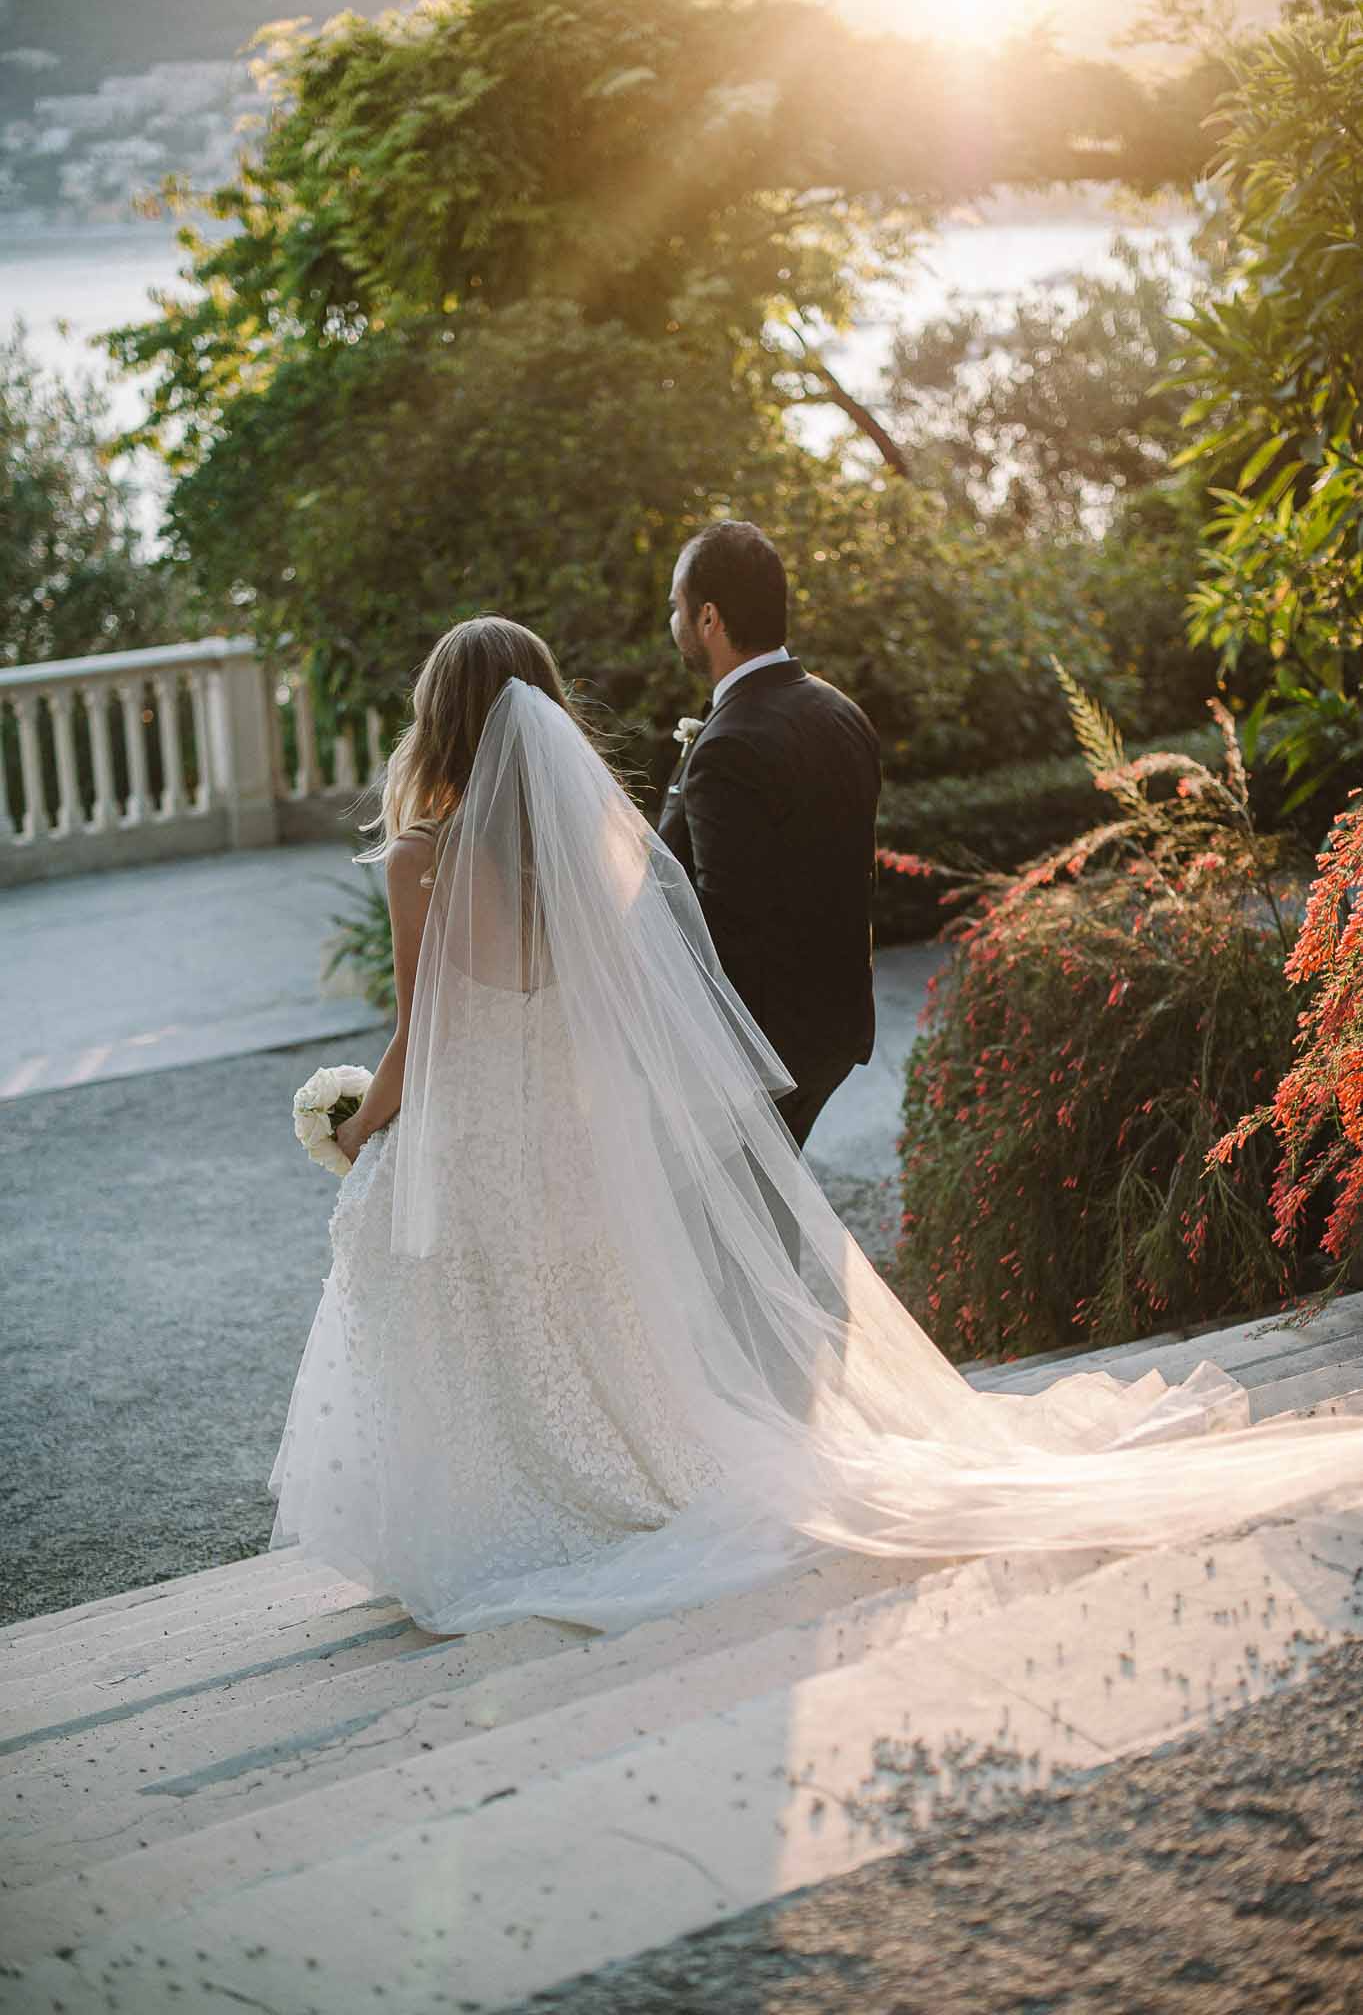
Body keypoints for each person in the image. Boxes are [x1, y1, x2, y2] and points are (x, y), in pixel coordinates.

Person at [266, 615, 1363, 1640]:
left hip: (481, 1142)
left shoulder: (424, 856)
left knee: (451, 1294)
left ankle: (504, 1505)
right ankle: (614, 1479)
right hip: (570, 1141)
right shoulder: (586, 848)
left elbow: (423, 1034)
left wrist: (360, 1126)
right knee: (582, 1317)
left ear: (442, 719)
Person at [658, 521, 880, 1151]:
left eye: (675, 606)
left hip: (755, 1058)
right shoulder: (842, 712)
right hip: (833, 1032)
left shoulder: (729, 745)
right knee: (774, 1224)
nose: (670, 622)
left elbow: (724, 929)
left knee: (727, 1235)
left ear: (708, 618)